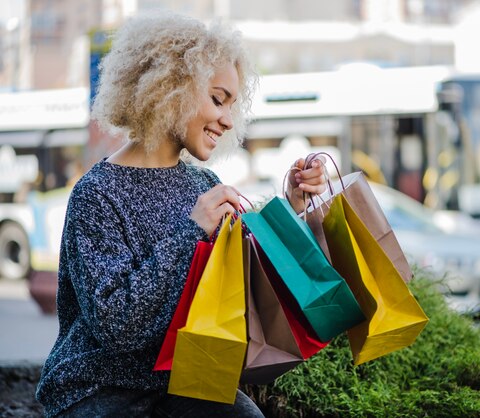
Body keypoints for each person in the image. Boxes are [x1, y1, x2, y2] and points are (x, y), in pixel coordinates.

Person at [35, 11, 327, 418]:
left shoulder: (201, 183)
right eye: (217, 99)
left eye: (233, 105)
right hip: (97, 391)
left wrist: (292, 205)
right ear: (170, 88)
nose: (228, 119)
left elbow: (245, 281)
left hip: (185, 381)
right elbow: (117, 327)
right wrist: (190, 231)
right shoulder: (96, 194)